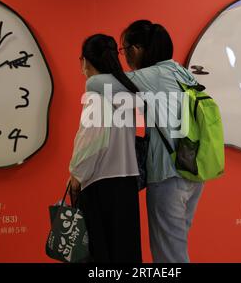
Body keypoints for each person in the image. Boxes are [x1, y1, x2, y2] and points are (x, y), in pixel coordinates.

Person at [86, 20, 203, 263]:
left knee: (169, 256)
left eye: (124, 49)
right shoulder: (181, 72)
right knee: (177, 248)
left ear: (137, 49)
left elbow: (96, 83)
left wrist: (93, 69)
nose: (124, 56)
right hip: (192, 171)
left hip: (168, 175)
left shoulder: (152, 76)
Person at [69, 34, 142, 263]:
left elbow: (90, 142)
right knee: (124, 253)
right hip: (127, 182)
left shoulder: (96, 95)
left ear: (85, 61)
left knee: (100, 255)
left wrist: (76, 176)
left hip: (101, 184)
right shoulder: (126, 93)